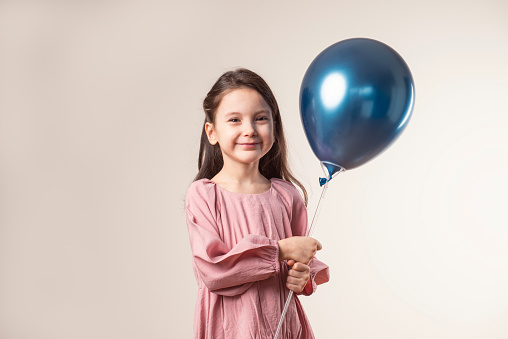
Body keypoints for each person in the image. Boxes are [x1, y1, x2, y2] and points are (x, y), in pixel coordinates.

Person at [185, 68, 330, 338]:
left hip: (285, 328)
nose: (249, 130)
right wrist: (279, 251)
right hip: (231, 330)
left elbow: (301, 266)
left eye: (260, 118)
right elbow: (214, 271)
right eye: (235, 120)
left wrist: (303, 278)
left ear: (274, 128)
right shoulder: (204, 196)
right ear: (212, 131)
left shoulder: (287, 196)